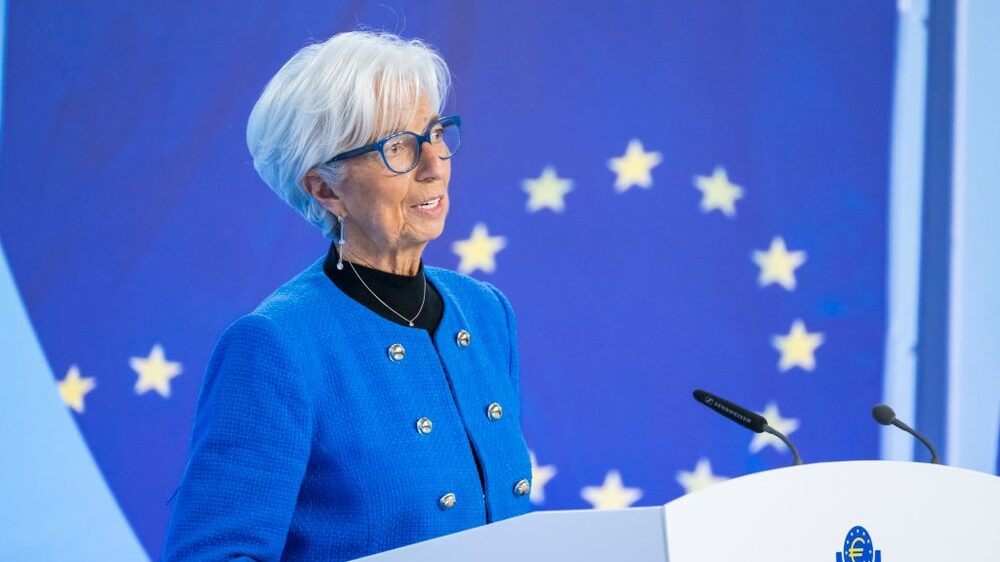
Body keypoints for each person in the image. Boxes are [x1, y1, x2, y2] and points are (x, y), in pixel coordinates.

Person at [162, 30, 532, 561]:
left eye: (436, 134)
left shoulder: (486, 312)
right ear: (325, 189)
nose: (434, 166)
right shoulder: (275, 345)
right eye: (399, 147)